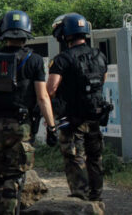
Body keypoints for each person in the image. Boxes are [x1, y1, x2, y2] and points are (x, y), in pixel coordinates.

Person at [0, 10, 56, 215]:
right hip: (20, 126)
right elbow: (42, 97)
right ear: (26, 33)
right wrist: (52, 127)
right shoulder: (35, 60)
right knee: (13, 175)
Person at [47, 13, 109, 202]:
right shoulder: (99, 55)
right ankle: (96, 199)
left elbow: (51, 89)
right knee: (95, 159)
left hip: (73, 120)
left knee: (75, 160)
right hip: (95, 117)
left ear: (65, 34)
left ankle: (79, 199)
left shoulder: (62, 59)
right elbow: (102, 82)